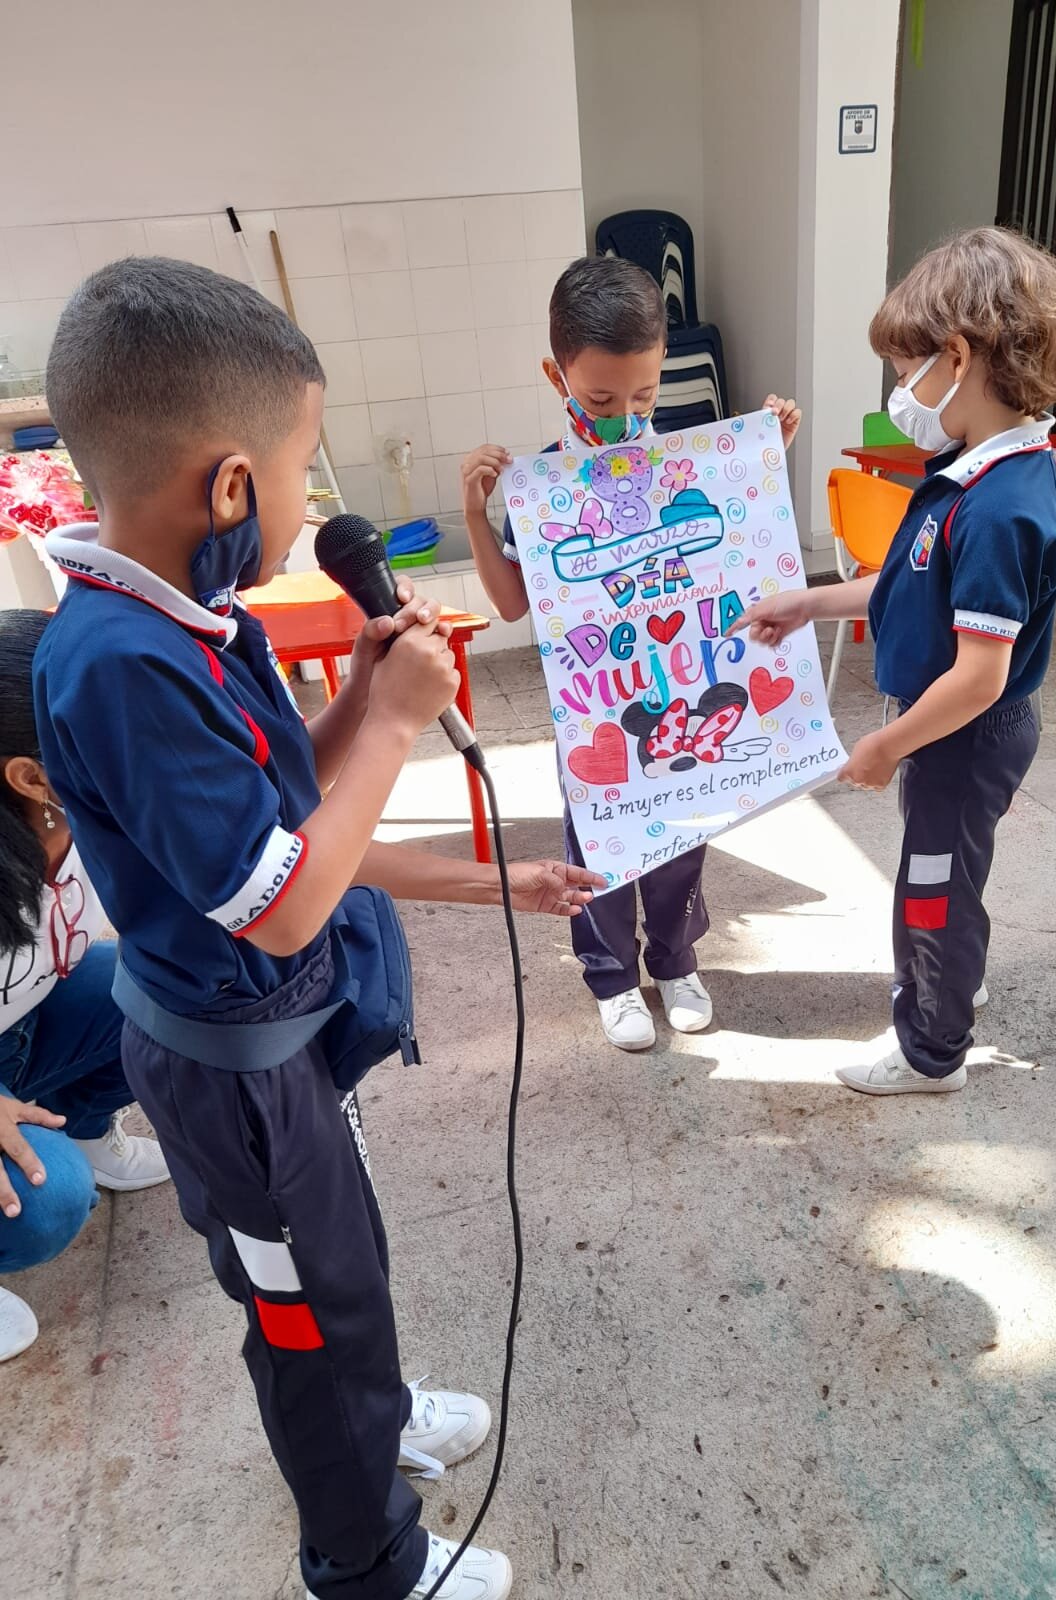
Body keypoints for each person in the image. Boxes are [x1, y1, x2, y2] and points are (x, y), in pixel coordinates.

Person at [34, 257, 605, 1600]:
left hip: (281, 1056)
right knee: (300, 1318)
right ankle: (365, 1561)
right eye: (304, 470)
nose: (311, 509)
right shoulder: (121, 664)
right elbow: (288, 906)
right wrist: (400, 726)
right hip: (233, 1078)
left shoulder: (185, 620)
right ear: (232, 486)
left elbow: (286, 811)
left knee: (343, 1270)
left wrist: (356, 702)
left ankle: (377, 1413)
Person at [733, 227, 1056, 1095]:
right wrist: (809, 602)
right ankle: (948, 983)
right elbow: (909, 587)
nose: (901, 391)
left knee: (933, 886)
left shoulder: (1002, 508)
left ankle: (933, 1048)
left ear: (958, 357)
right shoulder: (967, 472)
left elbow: (978, 677)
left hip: (963, 735)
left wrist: (886, 746)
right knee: (944, 870)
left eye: (905, 371)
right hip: (948, 731)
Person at [461, 256, 802, 1051]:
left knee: (684, 831)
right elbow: (511, 603)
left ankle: (676, 960)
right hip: (596, 711)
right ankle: (611, 977)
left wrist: (761, 457)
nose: (622, 417)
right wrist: (476, 516)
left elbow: (739, 550)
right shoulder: (540, 488)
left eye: (643, 396)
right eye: (599, 399)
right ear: (556, 376)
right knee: (600, 841)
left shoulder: (687, 461)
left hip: (683, 690)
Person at [0, 609, 169, 1362]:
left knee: (160, 989)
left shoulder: (90, 814)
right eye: (110, 729)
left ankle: (88, 1129)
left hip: (23, 1030)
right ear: (30, 776)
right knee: (47, 1204)